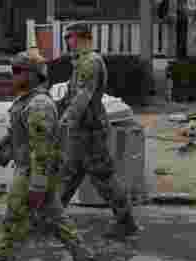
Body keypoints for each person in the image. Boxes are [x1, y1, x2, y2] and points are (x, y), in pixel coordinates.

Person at [0, 50, 100, 261]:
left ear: (33, 75)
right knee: (55, 219)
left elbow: (42, 149)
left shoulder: (38, 105)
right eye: (13, 71)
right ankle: (86, 260)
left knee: (13, 220)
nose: (13, 76)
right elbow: (15, 138)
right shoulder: (26, 101)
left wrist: (37, 185)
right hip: (34, 170)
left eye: (18, 71)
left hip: (34, 171)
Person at [57, 22, 140, 239]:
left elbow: (83, 95)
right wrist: (57, 110)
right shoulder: (80, 62)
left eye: (69, 37)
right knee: (68, 175)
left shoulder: (90, 62)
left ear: (81, 37)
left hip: (90, 130)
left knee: (102, 177)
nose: (67, 41)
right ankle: (50, 218)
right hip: (81, 129)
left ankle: (125, 220)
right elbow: (70, 95)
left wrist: (66, 119)